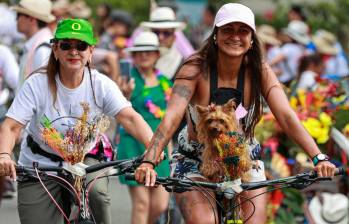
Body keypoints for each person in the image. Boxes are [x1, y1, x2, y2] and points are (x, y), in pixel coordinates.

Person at [134, 3, 336, 224]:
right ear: (215, 35)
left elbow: (286, 116)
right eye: (228, 29)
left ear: (252, 39)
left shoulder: (260, 70)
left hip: (243, 158)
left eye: (243, 31)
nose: (235, 36)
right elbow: (171, 117)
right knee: (204, 221)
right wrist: (149, 162)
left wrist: (319, 157)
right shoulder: (194, 68)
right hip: (195, 160)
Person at [0, 18, 154, 224]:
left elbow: (131, 118)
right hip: (40, 163)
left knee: (97, 194)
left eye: (81, 46)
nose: (74, 52)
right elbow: (11, 126)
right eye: (66, 45)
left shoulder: (101, 84)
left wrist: (153, 150)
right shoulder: (36, 83)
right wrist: (4, 155)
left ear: (91, 51)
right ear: (55, 50)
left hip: (86, 158)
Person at [118, 31, 171, 224]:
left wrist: (171, 156)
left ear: (157, 54)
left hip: (160, 149)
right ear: (133, 56)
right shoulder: (127, 80)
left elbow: (169, 121)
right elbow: (120, 113)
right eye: (139, 52)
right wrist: (125, 95)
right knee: (141, 203)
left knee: (160, 205)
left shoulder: (166, 82)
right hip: (133, 146)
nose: (144, 55)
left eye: (149, 51)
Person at [12, 0, 55, 89]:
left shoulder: (43, 49)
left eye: (18, 15)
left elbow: (44, 90)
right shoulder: (39, 45)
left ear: (31, 19)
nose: (16, 19)